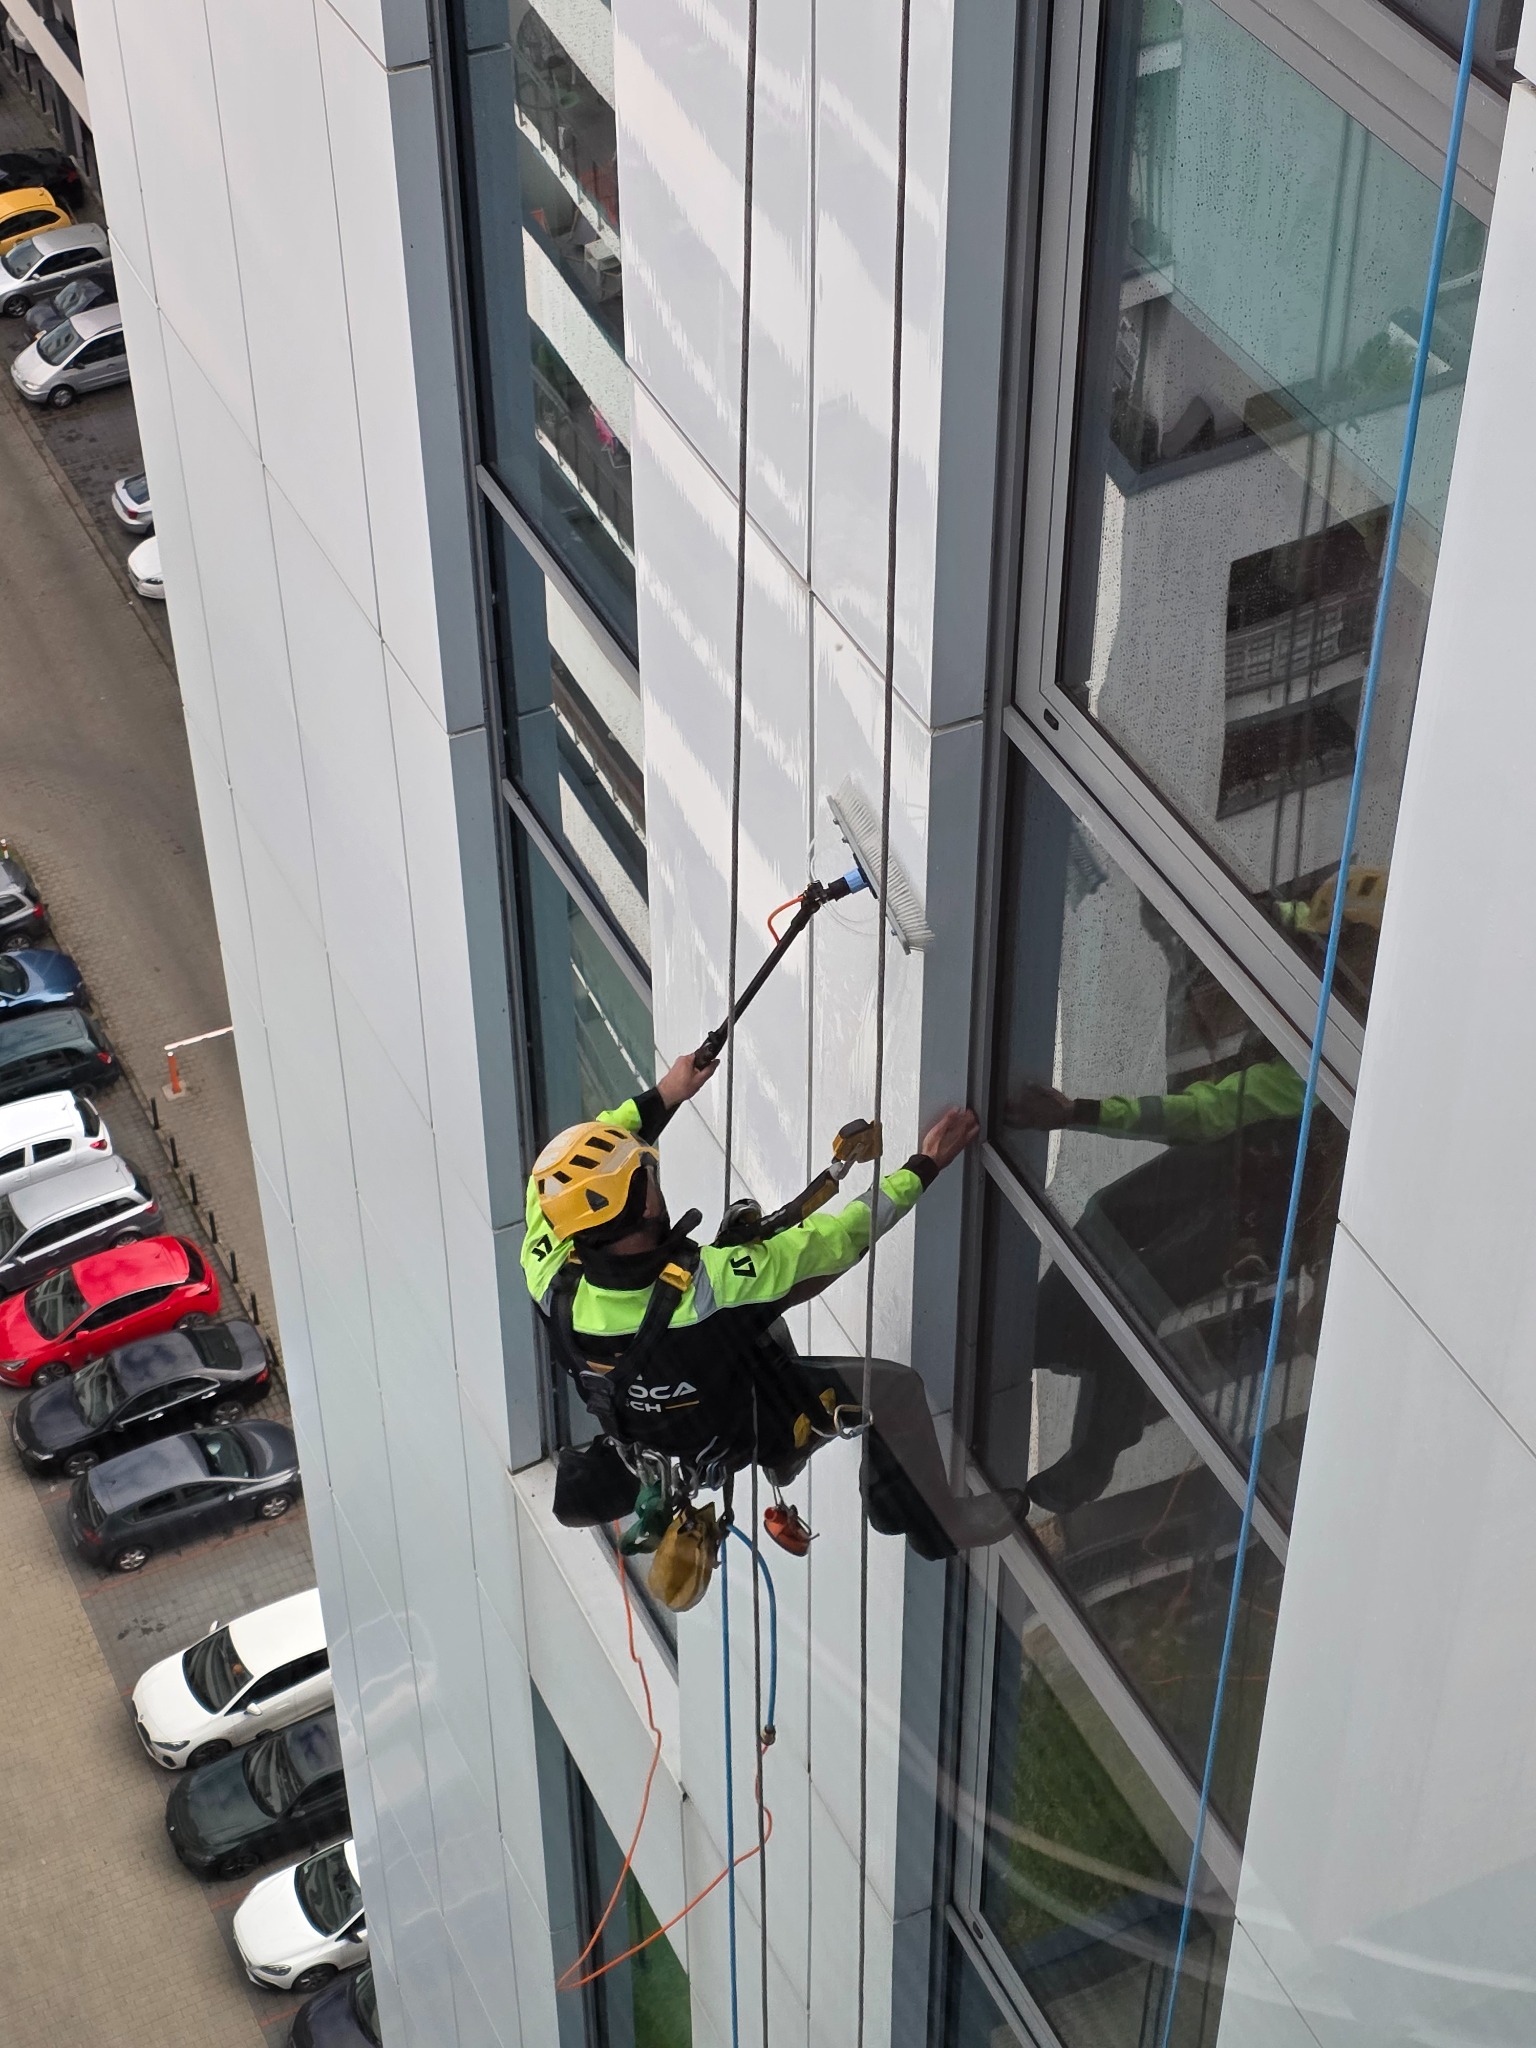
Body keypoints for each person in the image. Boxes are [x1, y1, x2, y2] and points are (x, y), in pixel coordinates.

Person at [522, 1053, 1025, 1560]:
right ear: (648, 1204)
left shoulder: (548, 1276)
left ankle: (895, 1506)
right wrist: (924, 1165)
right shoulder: (712, 1290)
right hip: (756, 1425)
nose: (654, 1174)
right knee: (896, 1392)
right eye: (646, 1171)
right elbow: (836, 1241)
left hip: (657, 1427)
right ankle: (931, 1525)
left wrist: (668, 1093)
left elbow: (552, 1183)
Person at [1006, 1057, 1344, 1511]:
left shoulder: (1328, 1110)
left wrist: (1319, 1297)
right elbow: (1203, 1112)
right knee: (1105, 1215)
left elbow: (1207, 1112)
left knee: (1136, 1297)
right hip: (1228, 1168)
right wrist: (1079, 1113)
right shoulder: (1304, 1085)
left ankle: (1100, 1445)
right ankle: (1048, 1334)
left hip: (1260, 1220)